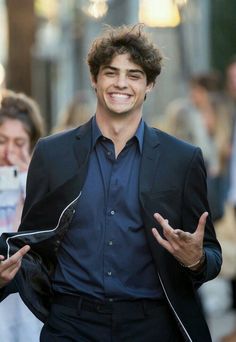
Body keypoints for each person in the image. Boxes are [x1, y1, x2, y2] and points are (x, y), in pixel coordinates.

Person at [0, 24, 221, 341]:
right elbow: (31, 244)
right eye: (111, 72)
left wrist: (196, 260)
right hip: (71, 324)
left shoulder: (182, 160)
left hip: (152, 326)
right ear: (94, 78)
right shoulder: (51, 153)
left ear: (150, 85)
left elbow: (210, 255)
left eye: (134, 75)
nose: (121, 83)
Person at [0, 89, 44, 341]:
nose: (8, 152)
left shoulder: (38, 191)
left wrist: (28, 184)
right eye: (2, 140)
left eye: (18, 143)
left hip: (28, 319)